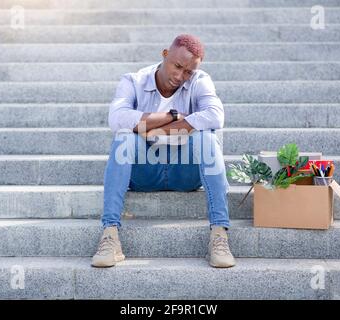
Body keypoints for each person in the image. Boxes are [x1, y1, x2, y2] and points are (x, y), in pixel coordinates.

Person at [92, 34, 235, 268]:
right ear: (165, 54)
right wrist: (173, 116)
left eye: (188, 72)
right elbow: (117, 118)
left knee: (207, 139)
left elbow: (215, 115)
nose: (180, 77)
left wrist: (154, 131)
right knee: (124, 138)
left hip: (184, 172)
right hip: (145, 172)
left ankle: (219, 234)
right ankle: (110, 235)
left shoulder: (200, 80)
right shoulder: (134, 81)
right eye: (177, 66)